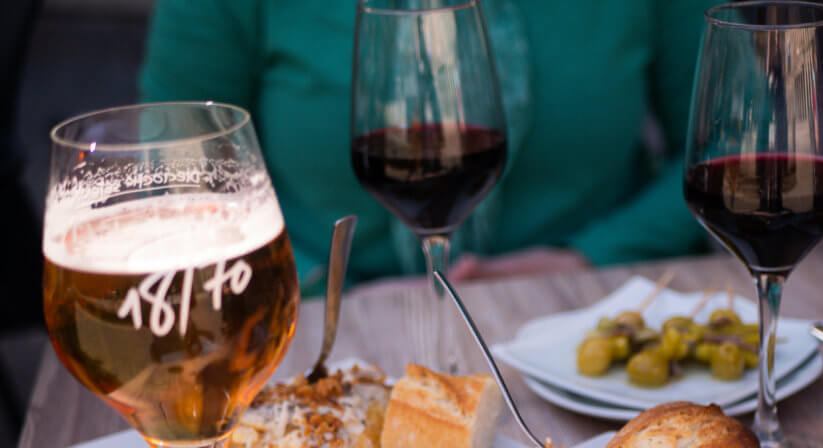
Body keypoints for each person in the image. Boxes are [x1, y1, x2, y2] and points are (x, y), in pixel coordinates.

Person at [139, 0, 710, 294]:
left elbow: (723, 147)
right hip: (314, 324)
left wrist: (589, 260)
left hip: (587, 315)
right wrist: (317, 291)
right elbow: (179, 172)